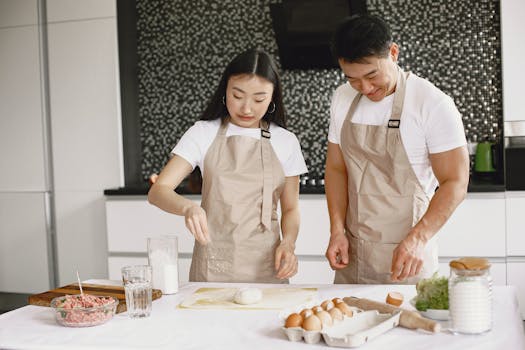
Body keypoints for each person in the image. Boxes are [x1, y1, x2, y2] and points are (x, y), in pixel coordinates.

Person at [324, 14, 470, 284]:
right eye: (352, 79)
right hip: (353, 256)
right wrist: (336, 230)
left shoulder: (432, 103)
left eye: (371, 75)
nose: (365, 88)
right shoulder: (342, 98)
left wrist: (418, 239)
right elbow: (336, 168)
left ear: (393, 53)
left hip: (408, 258)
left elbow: (456, 182)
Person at [148, 49, 308, 283]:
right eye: (238, 95)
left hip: (268, 265)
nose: (246, 108)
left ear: (272, 98)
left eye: (259, 99)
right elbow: (158, 191)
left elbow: (291, 209)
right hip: (213, 266)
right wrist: (188, 208)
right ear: (225, 90)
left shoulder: (285, 141)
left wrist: (289, 243)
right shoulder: (203, 133)